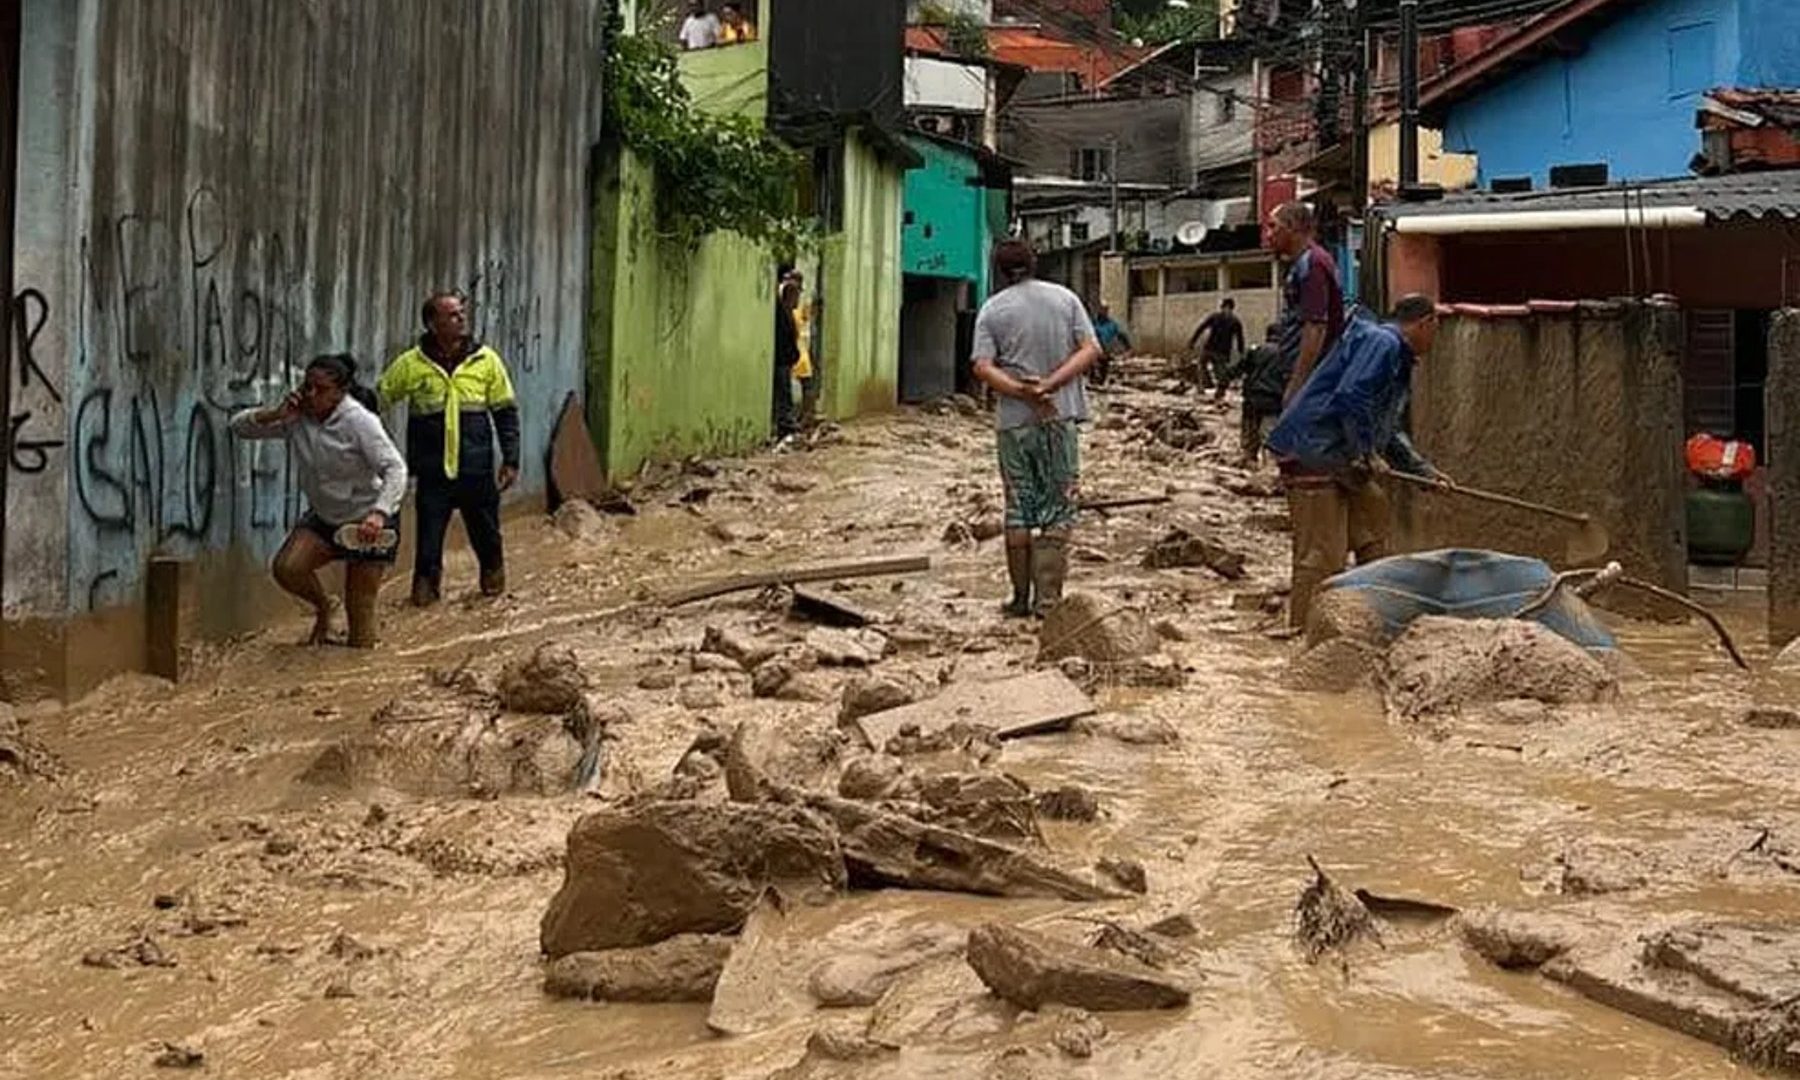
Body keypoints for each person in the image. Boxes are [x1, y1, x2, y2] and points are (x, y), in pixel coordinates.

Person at [1264, 294, 1452, 630]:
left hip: (1341, 455)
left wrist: (1421, 471)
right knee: (1321, 554)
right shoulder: (1383, 343)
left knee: (1374, 527)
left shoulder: (1394, 353)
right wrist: (1364, 452)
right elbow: (1352, 395)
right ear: (1425, 323)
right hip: (1314, 451)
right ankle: (1306, 633)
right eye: (1436, 328)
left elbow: (1388, 428)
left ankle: (1372, 619)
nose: (1435, 339)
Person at [231, 355, 407, 648]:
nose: (311, 395)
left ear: (340, 392)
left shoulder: (360, 422)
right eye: (307, 386)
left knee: (361, 632)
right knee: (287, 568)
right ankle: (325, 608)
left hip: (368, 521)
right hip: (325, 517)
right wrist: (275, 414)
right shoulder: (295, 418)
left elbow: (395, 469)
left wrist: (379, 513)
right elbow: (238, 427)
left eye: (320, 389)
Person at [971, 238, 1102, 617]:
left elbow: (981, 366)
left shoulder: (992, 309)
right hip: (1059, 419)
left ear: (998, 270)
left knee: (1018, 508)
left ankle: (1018, 600)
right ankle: (1048, 603)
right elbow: (1091, 349)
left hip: (1013, 424)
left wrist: (1020, 391)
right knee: (1058, 508)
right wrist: (1050, 386)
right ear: (1034, 264)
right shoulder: (1066, 299)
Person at [378, 290, 521, 606]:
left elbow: (505, 412)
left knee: (487, 538)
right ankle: (424, 600)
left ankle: (493, 592)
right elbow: (378, 400)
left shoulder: (486, 360)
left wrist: (511, 459)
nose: (461, 319)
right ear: (432, 323)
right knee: (428, 546)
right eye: (453, 315)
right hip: (433, 473)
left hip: (476, 469)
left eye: (461, 313)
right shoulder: (411, 365)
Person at [1265, 201, 1346, 404]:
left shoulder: (1312, 264)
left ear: (1292, 227)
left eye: (1273, 226)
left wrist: (1297, 385)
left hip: (1315, 376)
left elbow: (1316, 327)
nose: (1268, 234)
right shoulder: (1304, 263)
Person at [1239, 324, 1284, 468]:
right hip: (1273, 402)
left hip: (1252, 400)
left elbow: (1238, 368)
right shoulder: (1286, 353)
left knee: (1249, 442)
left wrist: (1223, 383)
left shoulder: (1255, 350)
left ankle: (1248, 470)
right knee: (1268, 439)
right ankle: (1267, 471)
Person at [1188, 297, 1245, 399]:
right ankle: (1210, 387)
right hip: (1218, 351)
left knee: (1212, 369)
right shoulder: (1234, 321)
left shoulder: (1219, 318)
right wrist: (1241, 352)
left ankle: (1212, 388)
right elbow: (1240, 339)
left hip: (1213, 349)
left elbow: (1201, 328)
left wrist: (1193, 341)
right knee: (1209, 368)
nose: (1226, 310)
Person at [774, 271, 801, 438]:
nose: (798, 300)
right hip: (782, 360)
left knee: (786, 392)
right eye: (796, 296)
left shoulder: (788, 313)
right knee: (784, 393)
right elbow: (785, 338)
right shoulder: (782, 314)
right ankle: (785, 424)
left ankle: (787, 423)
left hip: (787, 360)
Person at [1091, 303, 1131, 386]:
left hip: (1106, 353)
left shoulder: (1112, 324)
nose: (1103, 312)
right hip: (1094, 353)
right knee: (1093, 373)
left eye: (1105, 310)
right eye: (1102, 309)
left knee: (1104, 373)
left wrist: (1128, 348)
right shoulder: (1092, 324)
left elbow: (1122, 336)